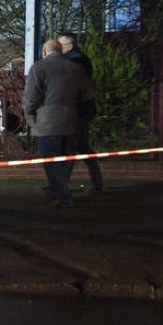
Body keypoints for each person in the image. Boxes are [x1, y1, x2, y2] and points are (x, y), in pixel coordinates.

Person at [23, 39, 95, 207]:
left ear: (45, 52)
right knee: (66, 159)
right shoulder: (75, 68)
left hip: (47, 120)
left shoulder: (39, 68)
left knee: (50, 161)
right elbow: (87, 94)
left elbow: (31, 97)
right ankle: (58, 191)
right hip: (71, 118)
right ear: (61, 51)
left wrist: (30, 116)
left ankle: (63, 197)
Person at [58, 33, 104, 193]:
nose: (58, 49)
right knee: (82, 147)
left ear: (69, 46)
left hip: (77, 110)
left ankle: (60, 186)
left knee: (70, 148)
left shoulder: (75, 61)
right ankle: (97, 182)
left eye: (61, 45)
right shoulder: (78, 59)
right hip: (82, 109)